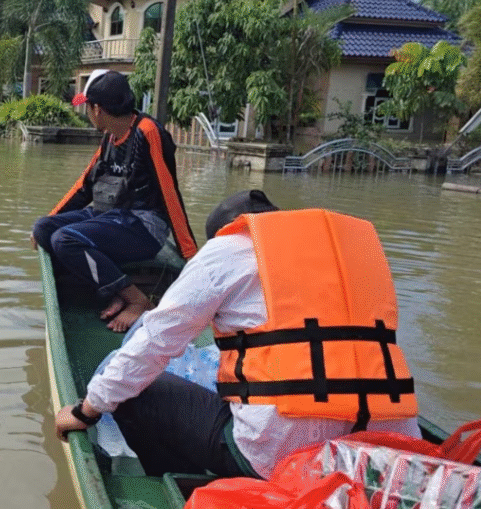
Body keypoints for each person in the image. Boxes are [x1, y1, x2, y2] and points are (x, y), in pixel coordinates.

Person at [54, 190, 421, 480]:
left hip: (279, 459)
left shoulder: (228, 249)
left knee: (137, 392)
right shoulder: (351, 255)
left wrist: (87, 410)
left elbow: (154, 340)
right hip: (383, 452)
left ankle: (182, 480)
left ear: (232, 230)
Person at [31, 69, 198, 332]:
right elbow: (84, 187)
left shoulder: (147, 132)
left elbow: (170, 193)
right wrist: (50, 218)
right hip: (109, 217)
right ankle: (113, 289)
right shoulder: (109, 137)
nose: (86, 113)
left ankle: (136, 300)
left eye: (87, 108)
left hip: (143, 226)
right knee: (44, 228)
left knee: (65, 239)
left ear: (98, 109)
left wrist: (190, 254)